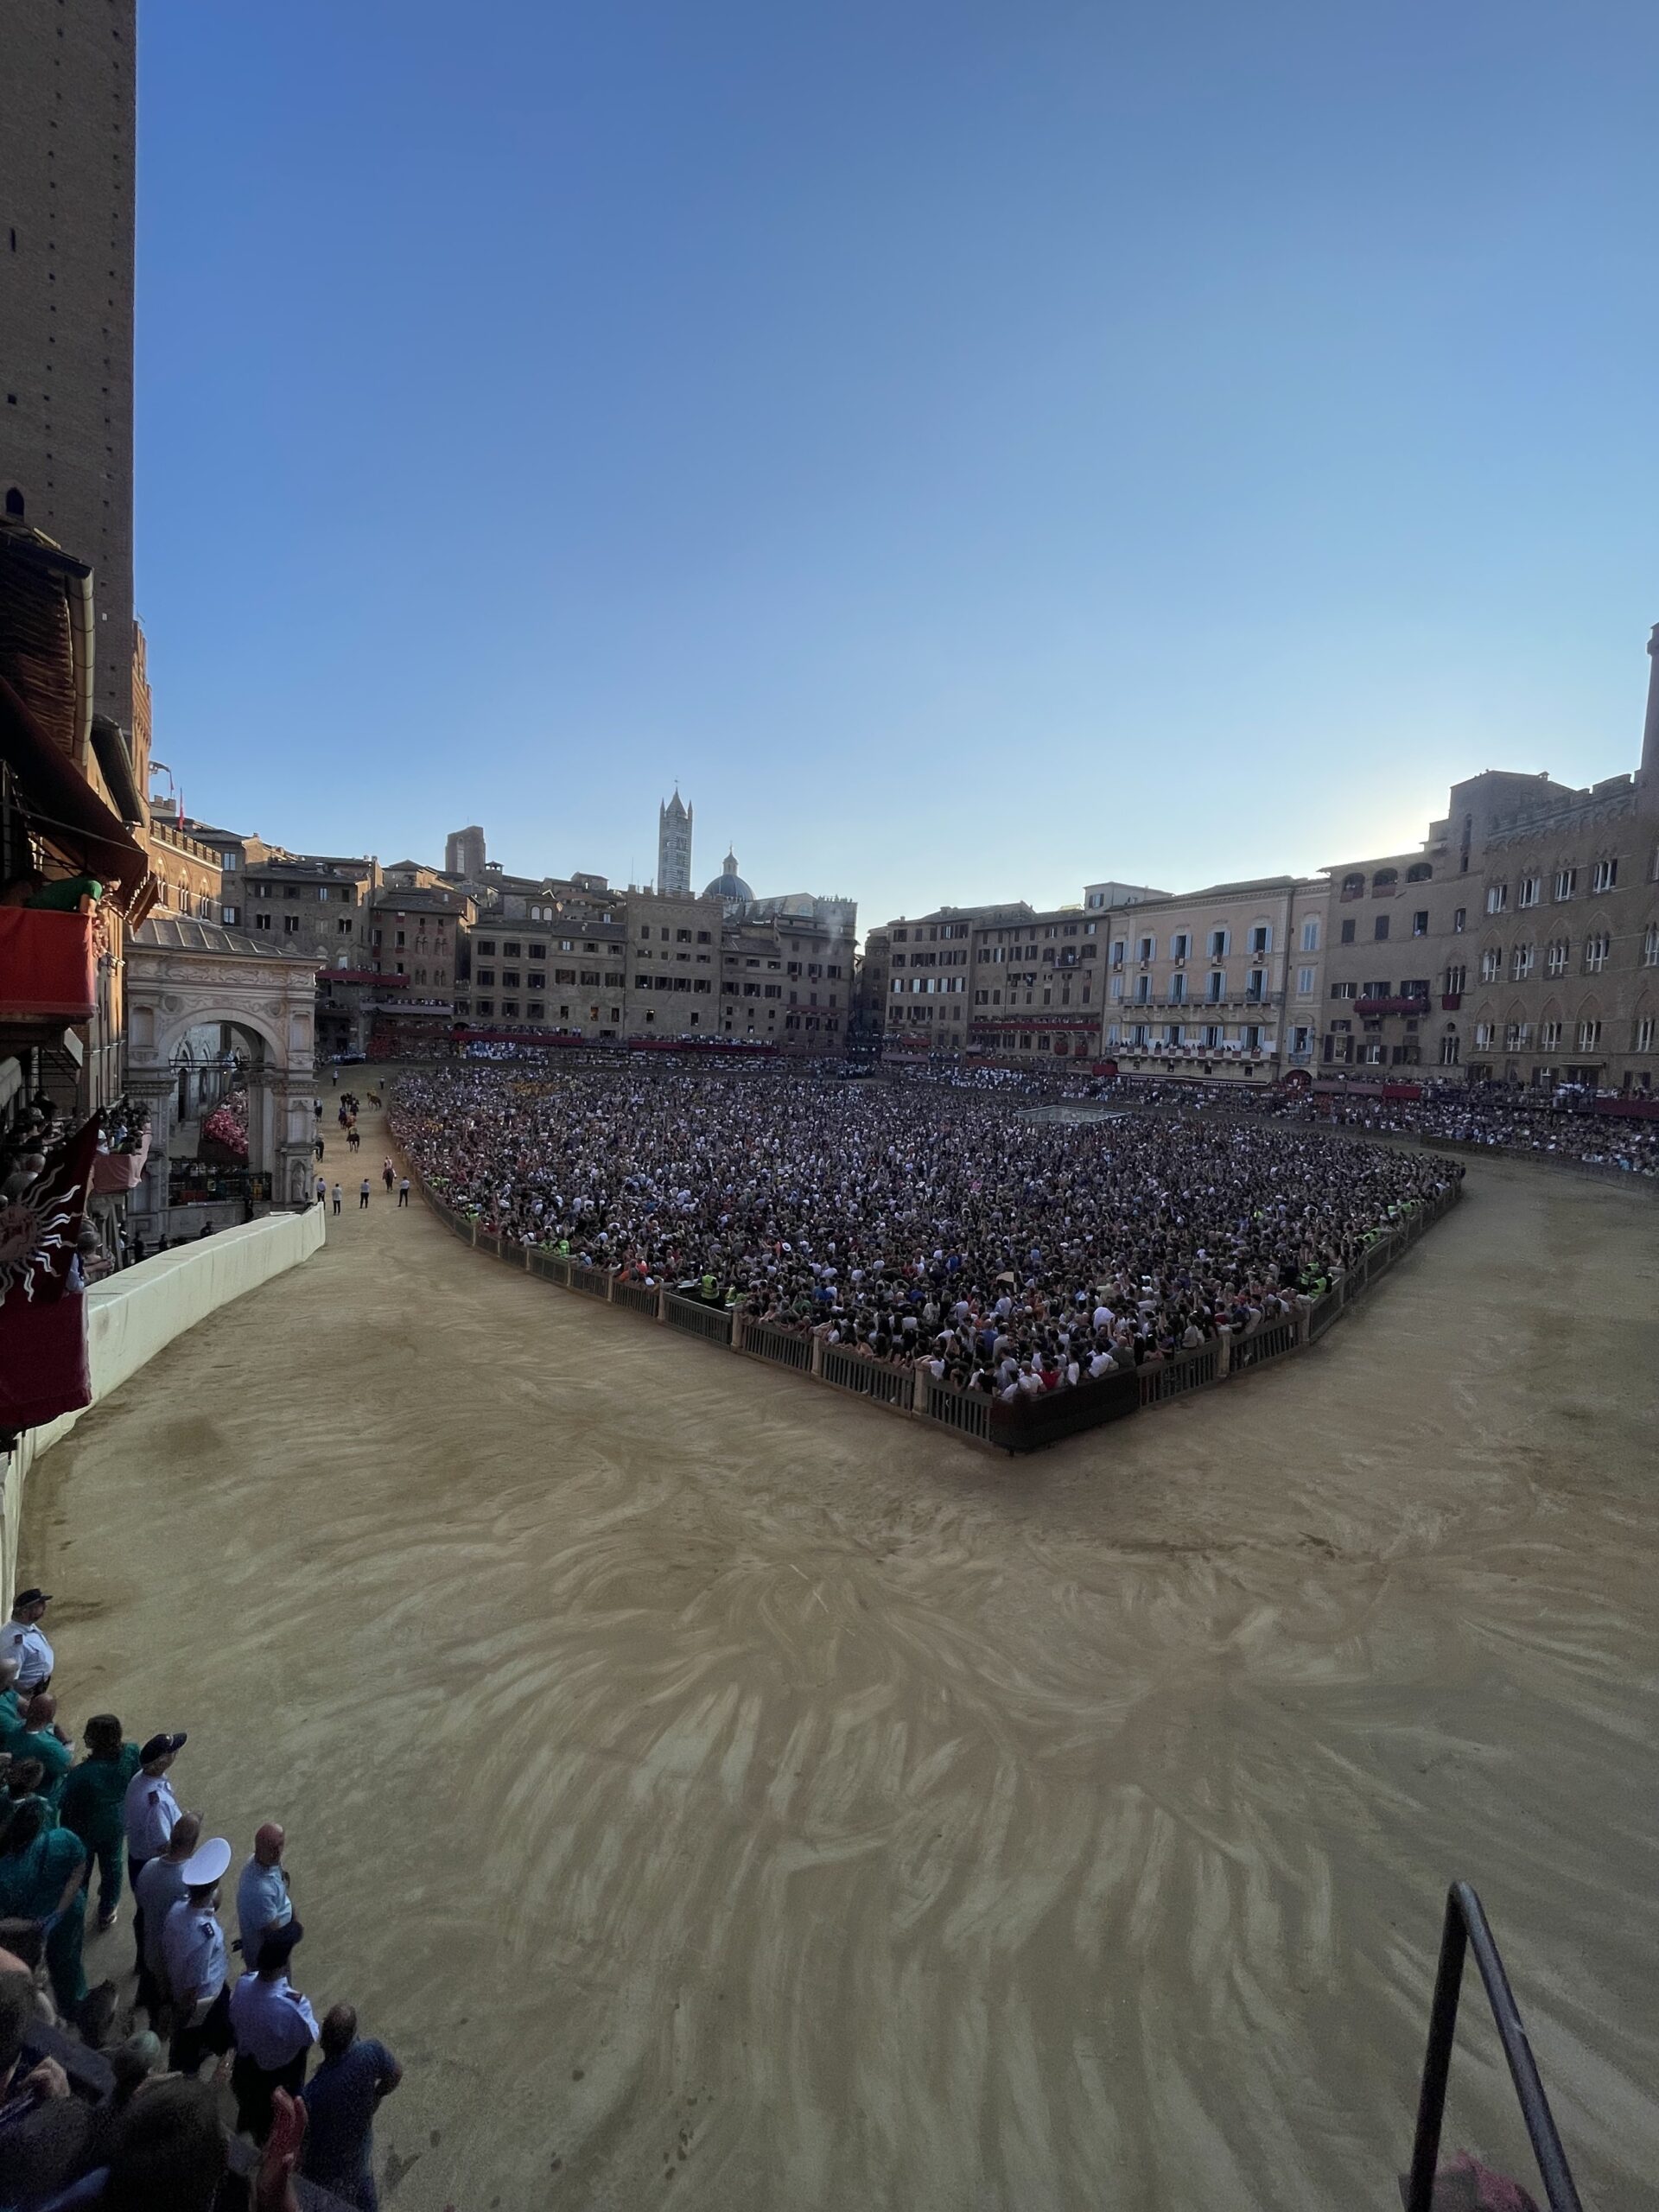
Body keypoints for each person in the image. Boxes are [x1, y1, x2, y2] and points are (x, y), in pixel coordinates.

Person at [300, 2002, 402, 2210]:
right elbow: (395, 2073)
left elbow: (303, 2138)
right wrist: (377, 2096)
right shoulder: (370, 2053)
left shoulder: (312, 2093)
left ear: (323, 2042)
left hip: (324, 2168)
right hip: (358, 2148)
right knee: (363, 2188)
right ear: (354, 2037)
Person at [0, 1801, 93, 2022]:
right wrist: (58, 1912)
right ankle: (73, 2005)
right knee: (69, 1961)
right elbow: (79, 1869)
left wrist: (33, 1925)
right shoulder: (62, 1839)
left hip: (25, 1932)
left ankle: (54, 2008)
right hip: (67, 1915)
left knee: (32, 1970)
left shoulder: (5, 1870)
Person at [229, 1920, 317, 2142]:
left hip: (247, 2069)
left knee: (248, 2114)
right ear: (284, 1962)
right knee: (279, 2127)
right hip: (280, 2076)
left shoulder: (243, 1985)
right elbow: (310, 2036)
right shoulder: (292, 2005)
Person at [57, 1715, 141, 1932]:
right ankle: (107, 1909)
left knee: (81, 1870)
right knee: (113, 1865)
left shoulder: (82, 1774)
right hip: (116, 1822)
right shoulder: (131, 1753)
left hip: (84, 1828)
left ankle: (76, 1911)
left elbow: (64, 1802)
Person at [161, 1834, 233, 2076]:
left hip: (179, 1988)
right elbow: (193, 1986)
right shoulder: (206, 1935)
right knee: (192, 2053)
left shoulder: (177, 1909)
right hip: (202, 2001)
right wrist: (181, 2019)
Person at [122, 1731, 185, 1978]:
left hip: (139, 1859)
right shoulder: (155, 1802)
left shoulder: (143, 1778)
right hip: (151, 1865)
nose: (176, 1754)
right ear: (160, 1762)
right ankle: (152, 1969)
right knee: (157, 1918)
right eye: (172, 1752)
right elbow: (163, 1845)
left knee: (146, 1914)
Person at [133, 1808, 200, 2020]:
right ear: (193, 1843)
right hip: (177, 1956)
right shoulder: (193, 1877)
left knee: (153, 1991)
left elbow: (141, 1903)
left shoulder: (149, 1867)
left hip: (152, 1948)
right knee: (174, 2007)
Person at [235, 1823, 293, 1962]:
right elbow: (273, 1935)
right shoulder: (259, 1890)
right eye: (273, 1848)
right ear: (259, 1850)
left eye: (281, 1844)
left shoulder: (267, 1861)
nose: (278, 1852)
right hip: (269, 1960)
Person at [3, 1694, 73, 1807]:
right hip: (42, 1798)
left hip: (15, 1791)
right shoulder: (49, 1747)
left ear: (29, 1708)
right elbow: (69, 1766)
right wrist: (68, 1743)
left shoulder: (13, 1728)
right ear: (50, 1717)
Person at [2, 1589, 54, 1694]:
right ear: (24, 1612)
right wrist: (22, 1704)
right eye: (39, 1605)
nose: (44, 1607)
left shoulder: (27, 1626)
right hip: (26, 1697)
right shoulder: (15, 1643)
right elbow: (9, 1682)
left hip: (37, 1690)